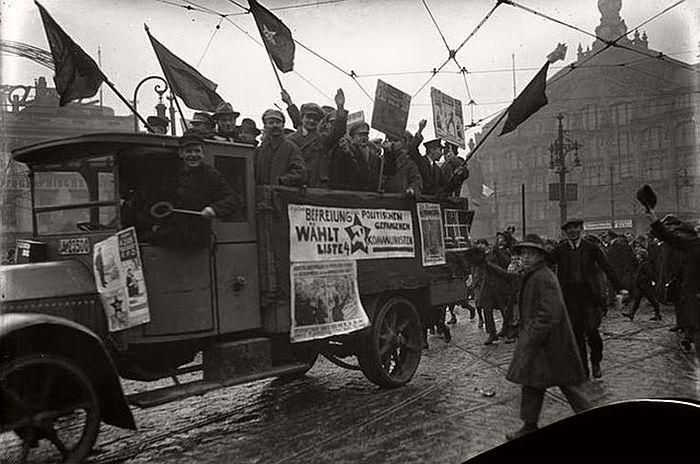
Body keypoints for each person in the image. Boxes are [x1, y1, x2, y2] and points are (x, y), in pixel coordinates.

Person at [505, 233, 591, 441]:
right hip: (543, 345)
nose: (524, 257)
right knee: (532, 383)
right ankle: (529, 425)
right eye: (523, 253)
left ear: (539, 256)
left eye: (529, 254)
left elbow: (551, 313)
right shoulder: (534, 275)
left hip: (553, 345)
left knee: (569, 386)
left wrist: (531, 335)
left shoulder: (544, 277)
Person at [549, 218, 627, 378]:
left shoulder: (591, 248)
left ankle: (596, 361)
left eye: (576, 228)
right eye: (569, 229)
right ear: (565, 232)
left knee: (592, 330)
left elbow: (607, 267)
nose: (573, 231)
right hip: (570, 298)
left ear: (581, 229)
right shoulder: (560, 249)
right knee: (576, 335)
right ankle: (583, 368)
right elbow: (546, 263)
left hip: (589, 297)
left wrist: (620, 287)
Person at [149, 131, 241, 248]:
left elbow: (234, 199)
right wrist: (157, 223)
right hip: (170, 231)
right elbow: (158, 201)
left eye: (197, 151)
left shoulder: (211, 175)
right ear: (181, 154)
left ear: (203, 154)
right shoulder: (171, 175)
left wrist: (214, 209)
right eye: (188, 151)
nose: (193, 155)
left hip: (196, 236)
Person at [646, 210, 700, 358]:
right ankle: (687, 335)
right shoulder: (690, 243)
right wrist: (654, 220)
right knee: (687, 309)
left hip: (688, 284)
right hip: (687, 283)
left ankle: (688, 335)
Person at [286, 89, 348, 188]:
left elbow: (339, 131)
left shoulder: (323, 139)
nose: (311, 121)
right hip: (294, 187)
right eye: (308, 117)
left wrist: (340, 107)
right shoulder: (289, 140)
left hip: (316, 187)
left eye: (316, 119)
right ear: (302, 118)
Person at [255, 109, 306, 187]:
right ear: (265, 126)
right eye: (271, 123)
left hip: (283, 194)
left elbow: (300, 172)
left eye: (278, 122)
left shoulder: (291, 148)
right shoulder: (259, 151)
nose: (275, 125)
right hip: (261, 195)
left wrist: (281, 181)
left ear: (283, 125)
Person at [330, 122, 382, 192]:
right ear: (353, 137)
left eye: (366, 135)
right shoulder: (346, 151)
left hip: (369, 194)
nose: (364, 138)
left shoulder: (373, 154)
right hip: (351, 193)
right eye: (360, 135)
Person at [622, 248, 662, 321]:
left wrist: (642, 281)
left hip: (645, 286)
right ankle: (632, 313)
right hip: (641, 286)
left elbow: (648, 274)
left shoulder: (646, 264)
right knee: (637, 300)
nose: (637, 256)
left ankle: (658, 313)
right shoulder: (641, 263)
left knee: (652, 300)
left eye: (638, 255)